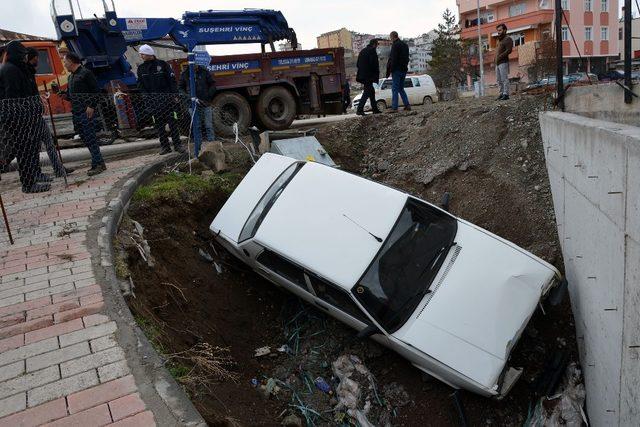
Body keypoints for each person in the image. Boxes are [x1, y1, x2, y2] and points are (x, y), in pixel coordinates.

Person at [0, 41, 50, 193]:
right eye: (22, 55)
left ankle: (32, 179)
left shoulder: (16, 68)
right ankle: (28, 184)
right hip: (18, 119)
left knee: (29, 150)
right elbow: (13, 97)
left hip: (24, 117)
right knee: (23, 152)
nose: (24, 58)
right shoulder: (10, 70)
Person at [26, 48, 74, 179]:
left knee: (48, 143)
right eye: (37, 57)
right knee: (40, 145)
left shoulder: (28, 72)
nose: (38, 60)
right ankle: (39, 173)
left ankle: (57, 169)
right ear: (33, 57)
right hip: (32, 115)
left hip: (35, 114)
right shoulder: (25, 72)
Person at [62, 52, 106, 176]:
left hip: (86, 112)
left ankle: (98, 164)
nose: (64, 64)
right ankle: (98, 162)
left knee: (91, 138)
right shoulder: (71, 77)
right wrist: (63, 95)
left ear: (71, 61)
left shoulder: (86, 73)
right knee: (86, 139)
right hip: (76, 112)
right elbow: (70, 96)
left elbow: (96, 91)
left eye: (65, 62)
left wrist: (91, 106)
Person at [137, 44, 185, 155]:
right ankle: (165, 147)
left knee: (173, 124)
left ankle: (177, 145)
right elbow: (141, 85)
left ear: (149, 54)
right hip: (153, 103)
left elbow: (172, 81)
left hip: (168, 101)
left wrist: (175, 96)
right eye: (141, 54)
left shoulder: (163, 65)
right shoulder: (141, 68)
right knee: (159, 126)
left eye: (143, 54)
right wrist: (146, 99)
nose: (141, 56)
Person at [179, 64, 216, 142]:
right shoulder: (185, 74)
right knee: (197, 125)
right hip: (192, 104)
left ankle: (212, 143)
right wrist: (188, 96)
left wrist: (208, 95)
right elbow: (180, 88)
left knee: (208, 125)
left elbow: (212, 84)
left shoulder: (204, 72)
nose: (194, 65)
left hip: (205, 103)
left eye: (196, 62)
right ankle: (198, 144)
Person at [386, 31, 411, 113]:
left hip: (396, 69)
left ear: (392, 37)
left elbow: (393, 58)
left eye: (390, 37)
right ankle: (407, 105)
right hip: (404, 69)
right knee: (401, 88)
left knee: (395, 88)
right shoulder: (405, 45)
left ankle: (394, 107)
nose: (390, 39)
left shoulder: (395, 45)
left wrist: (391, 69)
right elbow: (407, 58)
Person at [356, 39, 382, 116]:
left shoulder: (363, 51)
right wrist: (374, 75)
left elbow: (358, 64)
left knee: (371, 91)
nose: (377, 46)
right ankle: (359, 109)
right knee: (367, 92)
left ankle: (375, 109)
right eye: (377, 44)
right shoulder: (372, 51)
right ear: (374, 44)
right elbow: (374, 65)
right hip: (368, 76)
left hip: (362, 76)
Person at [495, 23, 513, 101]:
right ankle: (501, 93)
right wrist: (495, 59)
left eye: (500, 30)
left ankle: (506, 94)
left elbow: (509, 50)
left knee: (504, 79)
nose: (498, 32)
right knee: (498, 79)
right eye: (498, 30)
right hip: (497, 63)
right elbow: (497, 51)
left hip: (503, 62)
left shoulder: (508, 39)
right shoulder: (499, 40)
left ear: (504, 30)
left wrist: (500, 56)